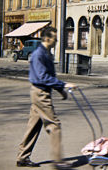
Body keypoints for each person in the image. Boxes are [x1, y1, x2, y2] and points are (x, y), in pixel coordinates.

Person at [16, 26, 76, 169]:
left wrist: (61, 90)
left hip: (41, 92)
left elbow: (50, 77)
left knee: (33, 126)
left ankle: (22, 157)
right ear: (47, 39)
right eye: (55, 39)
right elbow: (43, 77)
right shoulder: (39, 55)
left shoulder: (46, 54)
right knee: (54, 126)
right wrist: (64, 84)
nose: (56, 41)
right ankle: (58, 161)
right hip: (40, 93)